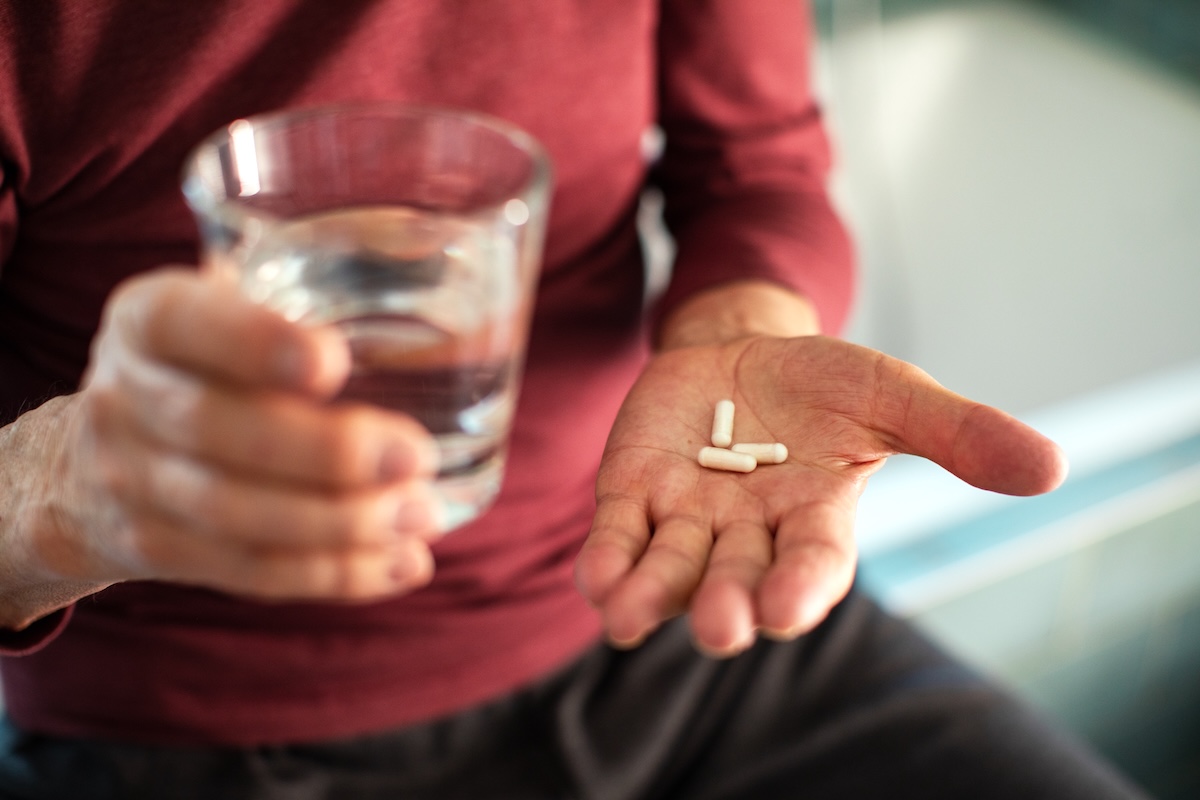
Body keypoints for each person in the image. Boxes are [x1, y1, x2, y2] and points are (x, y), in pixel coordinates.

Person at [0, 1, 1147, 798]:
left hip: (665, 607)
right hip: (189, 736)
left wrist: (740, 336)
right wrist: (62, 492)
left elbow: (756, 163)